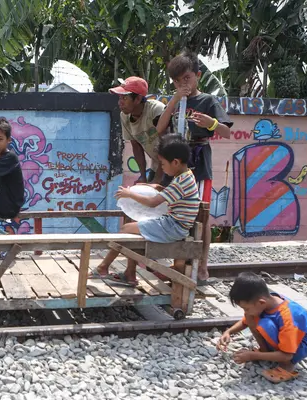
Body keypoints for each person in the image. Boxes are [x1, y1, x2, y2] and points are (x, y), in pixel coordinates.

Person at [156, 51, 233, 283]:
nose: (182, 84)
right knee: (170, 212)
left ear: (197, 76)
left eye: (186, 78)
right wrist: (174, 99)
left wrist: (213, 123)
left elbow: (227, 132)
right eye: (177, 81)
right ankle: (175, 264)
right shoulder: (174, 101)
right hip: (174, 164)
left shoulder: (208, 101)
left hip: (198, 164)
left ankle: (202, 266)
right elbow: (160, 129)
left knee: (201, 216)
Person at [92, 135, 199, 285]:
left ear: (175, 162)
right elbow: (167, 192)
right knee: (133, 229)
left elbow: (153, 202)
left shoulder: (181, 181)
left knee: (125, 230)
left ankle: (104, 267)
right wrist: (154, 187)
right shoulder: (186, 176)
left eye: (162, 164)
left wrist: (129, 194)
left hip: (173, 228)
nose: (161, 168)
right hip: (174, 225)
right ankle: (129, 273)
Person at [217, 272, 307, 383]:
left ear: (261, 302)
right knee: (252, 317)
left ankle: (287, 367)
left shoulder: (288, 316)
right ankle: (266, 352)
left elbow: (287, 355)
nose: (245, 312)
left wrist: (252, 356)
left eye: (246, 308)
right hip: (281, 341)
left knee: (265, 325)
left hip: (297, 348)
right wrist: (228, 332)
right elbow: (245, 322)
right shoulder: (265, 303)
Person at [109, 76, 172, 186]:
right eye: (119, 98)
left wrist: (157, 179)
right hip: (157, 165)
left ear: (138, 99)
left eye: (125, 98)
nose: (120, 103)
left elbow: (167, 146)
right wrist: (143, 176)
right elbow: (136, 146)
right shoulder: (124, 116)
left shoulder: (156, 110)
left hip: (172, 165)